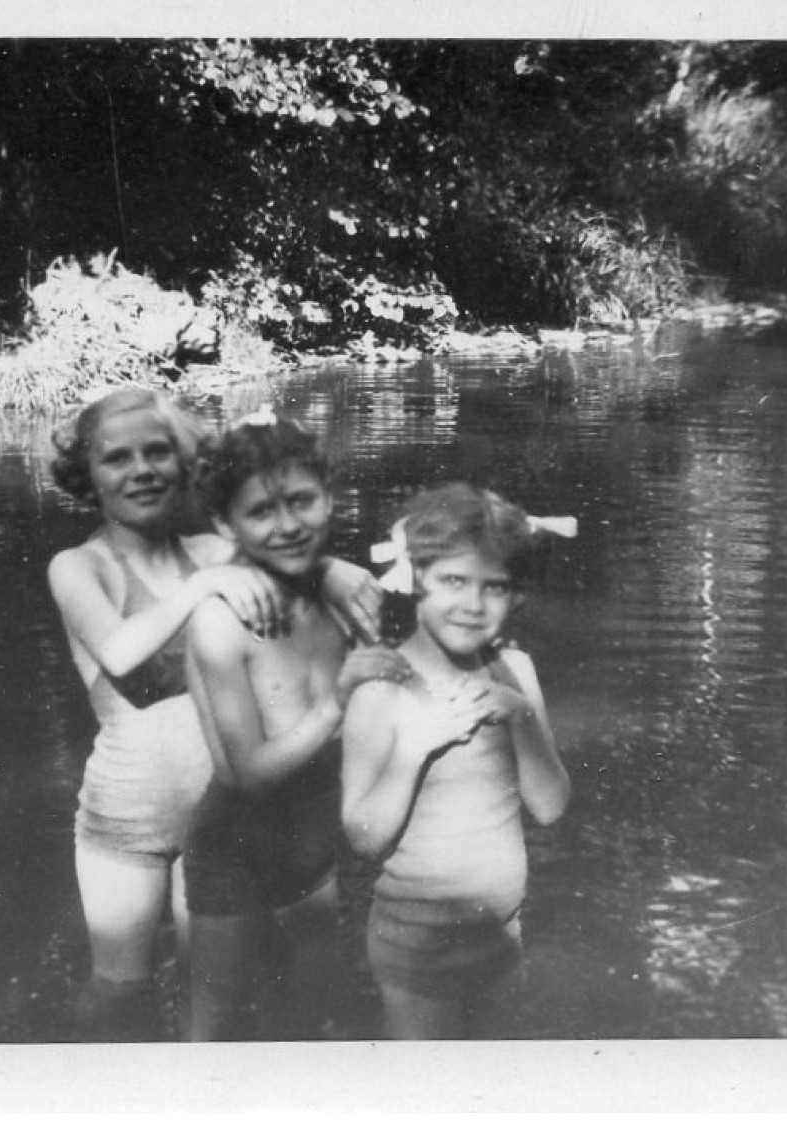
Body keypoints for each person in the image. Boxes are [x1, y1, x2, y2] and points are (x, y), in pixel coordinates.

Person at [46, 387, 381, 1041]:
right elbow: (118, 649)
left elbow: (289, 554)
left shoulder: (210, 549)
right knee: (121, 988)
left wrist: (333, 570)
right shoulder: (78, 565)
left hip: (221, 809)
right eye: (117, 457)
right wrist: (203, 586)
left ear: (181, 462)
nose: (140, 468)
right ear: (87, 473)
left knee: (214, 986)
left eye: (156, 451)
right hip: (129, 812)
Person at [181, 409, 410, 1040]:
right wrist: (338, 702)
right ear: (226, 523)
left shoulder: (338, 593)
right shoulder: (221, 620)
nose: (287, 525)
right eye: (261, 512)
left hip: (312, 840)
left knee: (310, 1015)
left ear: (330, 498)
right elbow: (248, 775)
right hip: (235, 847)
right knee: (215, 1028)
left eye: (303, 501)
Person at [340, 483, 573, 1039]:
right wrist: (415, 747)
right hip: (415, 942)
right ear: (416, 577)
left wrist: (519, 717)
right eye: (453, 581)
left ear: (516, 594)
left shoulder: (515, 670)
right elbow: (363, 837)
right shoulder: (383, 687)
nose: (473, 604)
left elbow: (551, 806)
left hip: (500, 931)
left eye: (495, 587)